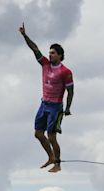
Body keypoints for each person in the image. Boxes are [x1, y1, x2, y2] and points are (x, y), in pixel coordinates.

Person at [19, 22, 74, 173]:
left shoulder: (65, 71)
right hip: (44, 104)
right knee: (38, 134)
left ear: (60, 55)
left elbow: (70, 91)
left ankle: (57, 163)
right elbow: (35, 48)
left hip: (55, 108)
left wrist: (68, 108)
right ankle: (50, 157)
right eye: (49, 53)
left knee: (51, 137)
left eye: (53, 53)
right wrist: (25, 35)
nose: (50, 55)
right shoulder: (45, 64)